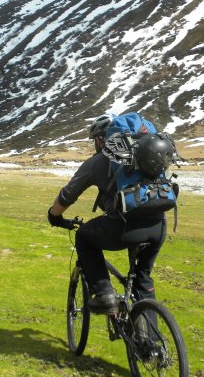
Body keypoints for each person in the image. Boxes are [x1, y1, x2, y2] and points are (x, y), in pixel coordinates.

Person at [47, 113, 168, 315]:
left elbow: (67, 196)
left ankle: (104, 295)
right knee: (142, 280)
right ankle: (149, 335)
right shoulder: (145, 155)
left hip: (125, 229)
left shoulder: (98, 161)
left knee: (83, 236)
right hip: (158, 226)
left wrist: (54, 216)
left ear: (101, 139)